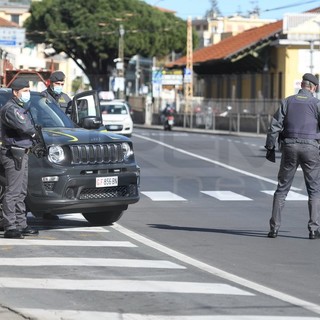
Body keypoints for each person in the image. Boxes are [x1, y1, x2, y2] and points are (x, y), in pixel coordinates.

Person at [265, 73, 320, 240]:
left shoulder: (288, 101)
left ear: (302, 85)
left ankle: (274, 229)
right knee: (314, 189)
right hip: (311, 148)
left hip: (289, 147)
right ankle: (313, 229)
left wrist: (270, 146)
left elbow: (275, 125)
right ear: (314, 87)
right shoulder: (317, 104)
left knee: (282, 189)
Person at [0, 77, 39, 238]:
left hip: (22, 152)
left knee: (21, 191)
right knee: (13, 191)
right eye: (25, 91)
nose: (27, 93)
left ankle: (20, 224)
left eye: (28, 90)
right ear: (16, 92)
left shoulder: (20, 107)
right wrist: (35, 133)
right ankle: (10, 226)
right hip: (13, 153)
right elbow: (25, 126)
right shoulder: (11, 109)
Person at [41, 70, 71, 220]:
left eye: (61, 84)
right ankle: (47, 210)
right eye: (57, 84)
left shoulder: (66, 98)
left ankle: (53, 209)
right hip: (47, 138)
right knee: (48, 175)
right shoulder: (42, 97)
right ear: (50, 83)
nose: (59, 86)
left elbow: (72, 117)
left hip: (65, 139)